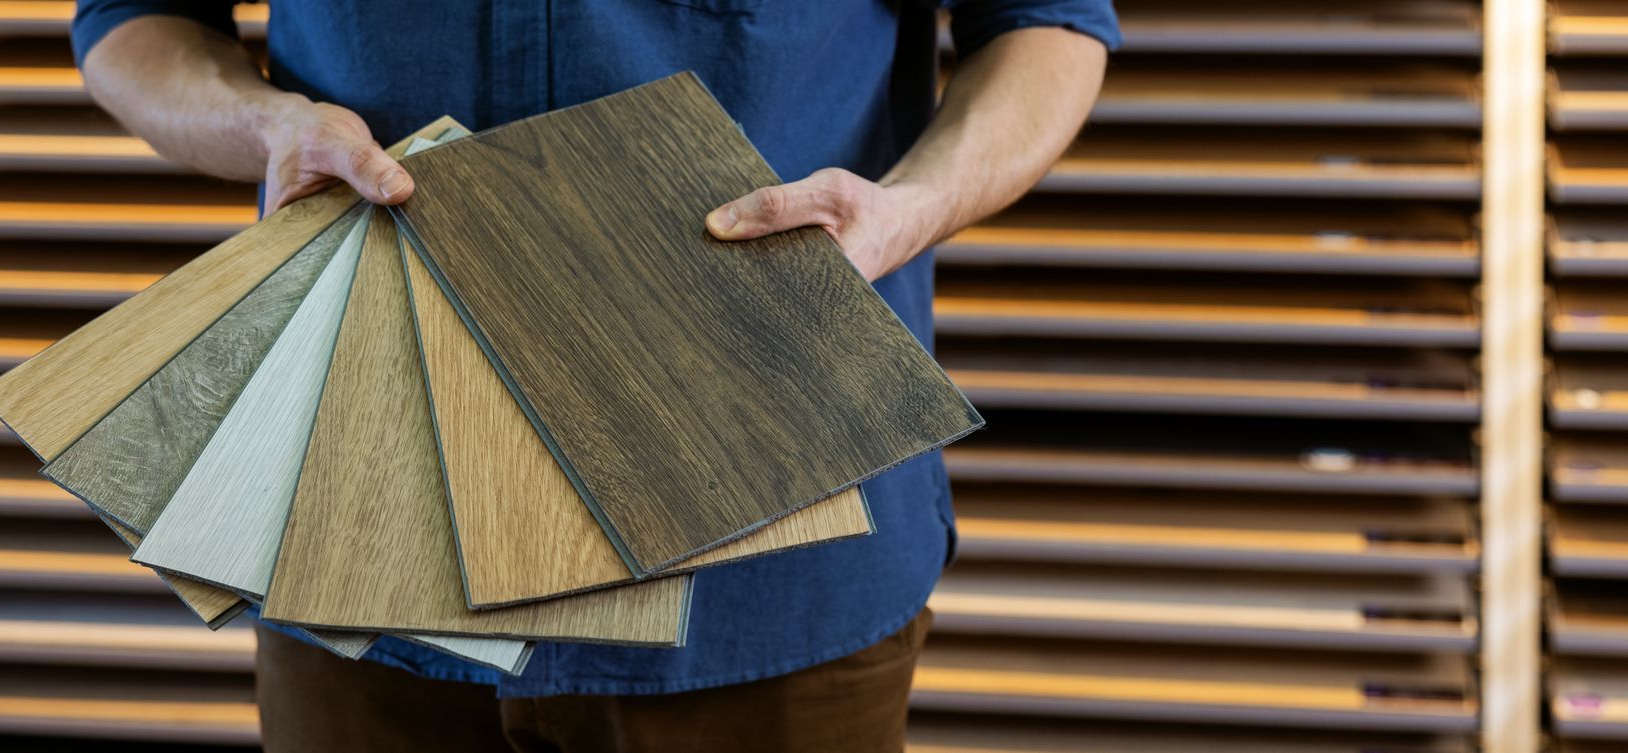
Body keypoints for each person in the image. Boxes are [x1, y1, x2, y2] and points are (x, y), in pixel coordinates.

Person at [72, 2, 1115, 751]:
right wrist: (262, 123)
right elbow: (134, 20)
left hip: (772, 555)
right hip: (364, 539)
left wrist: (914, 205)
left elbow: (1047, 24)